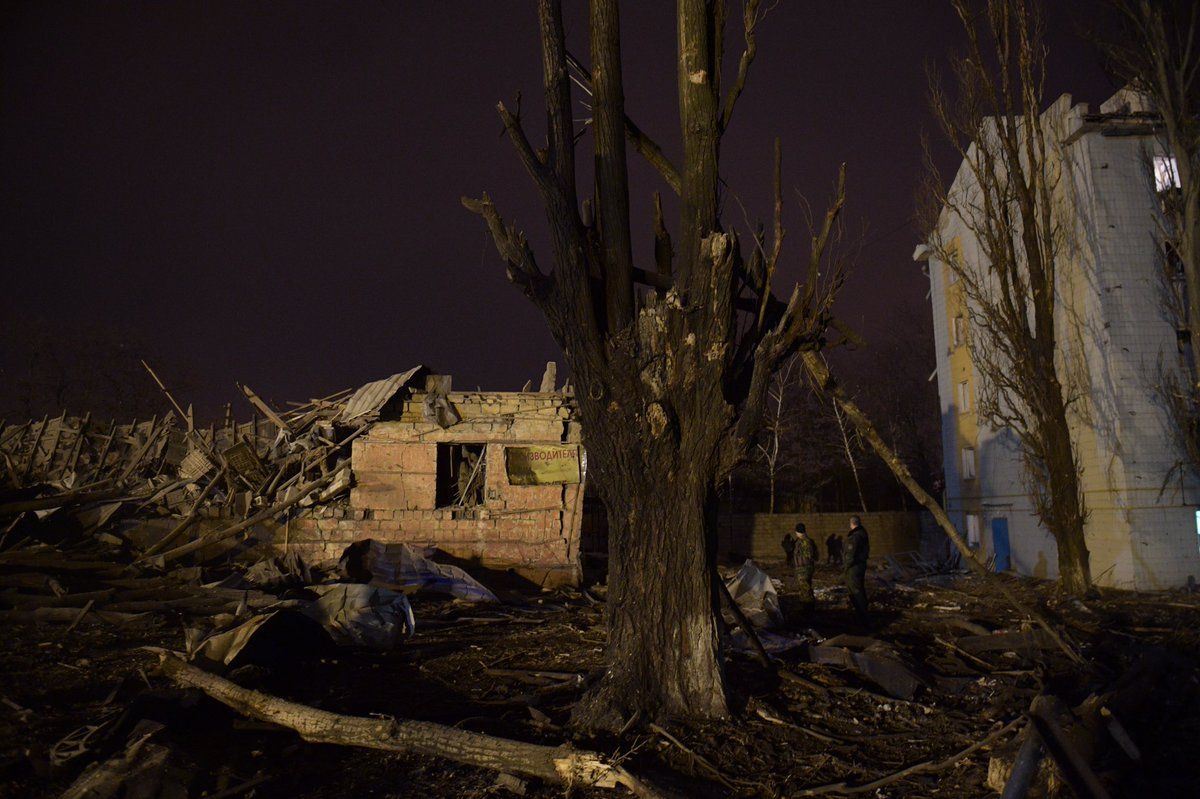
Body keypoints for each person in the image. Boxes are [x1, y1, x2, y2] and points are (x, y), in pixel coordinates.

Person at [782, 522, 817, 612]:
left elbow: (809, 555)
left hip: (804, 568)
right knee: (804, 589)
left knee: (805, 590)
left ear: (797, 531)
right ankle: (806, 608)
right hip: (802, 568)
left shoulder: (805, 541)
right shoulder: (799, 541)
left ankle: (809, 610)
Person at [844, 515, 870, 620]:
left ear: (851, 524)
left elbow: (850, 555)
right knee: (859, 588)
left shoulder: (855, 537)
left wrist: (846, 567)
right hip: (861, 565)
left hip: (854, 567)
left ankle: (862, 614)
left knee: (855, 590)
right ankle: (862, 611)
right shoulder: (863, 533)